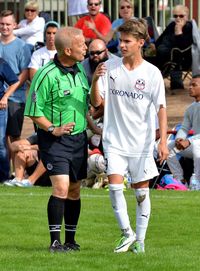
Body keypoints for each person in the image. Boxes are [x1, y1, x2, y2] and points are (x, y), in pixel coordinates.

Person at [90, 18, 168, 253]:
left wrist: (163, 141)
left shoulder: (152, 73)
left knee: (141, 192)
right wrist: (94, 80)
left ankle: (140, 242)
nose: (121, 45)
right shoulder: (109, 68)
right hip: (114, 140)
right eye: (120, 41)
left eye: (127, 41)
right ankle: (126, 233)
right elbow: (96, 103)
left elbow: (161, 109)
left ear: (140, 42)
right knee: (114, 186)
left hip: (142, 142)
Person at [24, 26, 89, 252]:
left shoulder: (81, 70)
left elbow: (85, 105)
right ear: (69, 50)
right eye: (82, 45)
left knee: (74, 190)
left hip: (80, 140)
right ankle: (54, 241)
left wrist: (93, 127)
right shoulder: (45, 74)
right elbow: (33, 109)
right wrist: (53, 128)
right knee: (60, 188)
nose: (86, 48)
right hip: (55, 141)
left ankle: (70, 240)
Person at [0, 10, 32, 167]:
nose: (5, 27)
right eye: (2, 24)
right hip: (1, 98)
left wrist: (7, 93)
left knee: (14, 137)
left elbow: (25, 72)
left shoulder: (22, 46)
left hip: (15, 98)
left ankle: (16, 172)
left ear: (14, 25)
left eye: (8, 24)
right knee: (1, 138)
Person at [167, 75, 200, 189]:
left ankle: (197, 180)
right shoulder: (191, 108)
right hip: (196, 145)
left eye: (194, 85)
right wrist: (179, 139)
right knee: (168, 147)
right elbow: (184, 128)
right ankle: (180, 181)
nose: (190, 87)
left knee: (196, 146)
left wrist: (189, 141)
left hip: (196, 145)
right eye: (189, 85)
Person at [155, 5, 194, 91]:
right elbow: (159, 40)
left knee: (174, 51)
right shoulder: (172, 25)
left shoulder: (189, 27)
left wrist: (179, 33)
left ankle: (173, 82)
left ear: (187, 16)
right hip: (163, 56)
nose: (178, 18)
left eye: (181, 16)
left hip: (182, 59)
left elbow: (184, 47)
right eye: (175, 16)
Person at [0, 58, 19, 182]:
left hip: (0, 108)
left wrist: (5, 97)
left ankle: (3, 177)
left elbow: (14, 82)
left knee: (0, 143)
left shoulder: (1, 63)